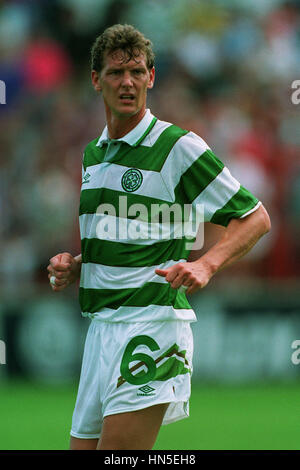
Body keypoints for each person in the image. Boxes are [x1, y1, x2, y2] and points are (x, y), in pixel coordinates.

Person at [47, 24, 271, 450]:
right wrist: (78, 266)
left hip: (152, 325)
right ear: (96, 80)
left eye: (136, 71)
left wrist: (206, 263)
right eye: (115, 73)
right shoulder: (93, 154)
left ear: (152, 77)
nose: (126, 82)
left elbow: (255, 217)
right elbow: (126, 233)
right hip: (100, 331)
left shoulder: (177, 146)